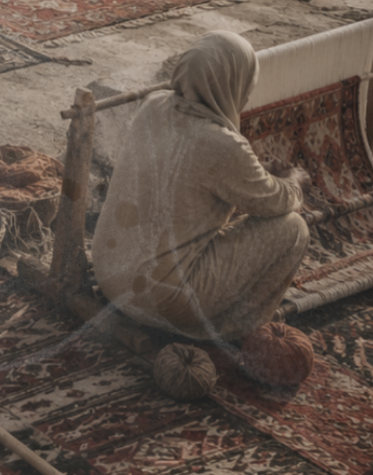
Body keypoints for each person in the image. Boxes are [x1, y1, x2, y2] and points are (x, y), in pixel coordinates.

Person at [89, 31, 310, 344]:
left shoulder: (152, 106)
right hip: (160, 301)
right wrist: (295, 183)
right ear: (234, 84)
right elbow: (275, 203)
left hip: (111, 276)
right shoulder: (222, 145)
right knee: (294, 228)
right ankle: (232, 328)